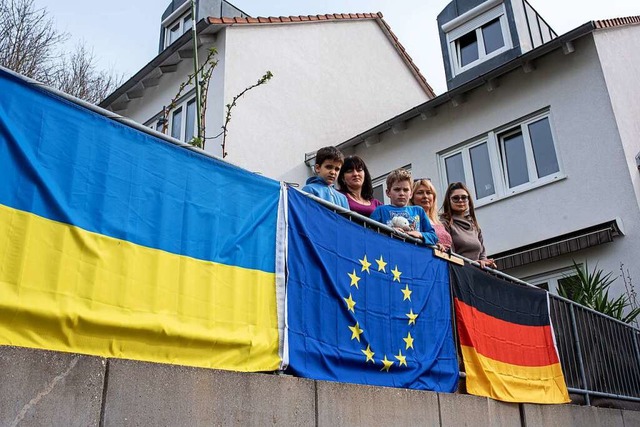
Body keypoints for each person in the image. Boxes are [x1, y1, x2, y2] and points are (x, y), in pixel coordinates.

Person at [370, 169, 438, 245]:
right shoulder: (380, 210)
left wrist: (420, 235)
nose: (401, 193)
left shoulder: (419, 211)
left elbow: (433, 237)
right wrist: (388, 232)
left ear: (411, 194)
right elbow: (369, 233)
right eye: (397, 189)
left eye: (405, 190)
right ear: (388, 193)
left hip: (414, 254)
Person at [440, 182, 496, 269]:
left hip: (476, 273)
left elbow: (482, 255)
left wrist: (485, 262)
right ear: (449, 201)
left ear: (469, 200)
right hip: (459, 272)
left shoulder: (475, 226)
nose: (460, 200)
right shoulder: (445, 224)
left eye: (464, 197)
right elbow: (450, 255)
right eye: (455, 198)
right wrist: (472, 263)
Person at [411, 178, 452, 251]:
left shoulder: (439, 222)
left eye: (428, 193)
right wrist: (433, 246)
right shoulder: (411, 219)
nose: (425, 196)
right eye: (420, 193)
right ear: (412, 198)